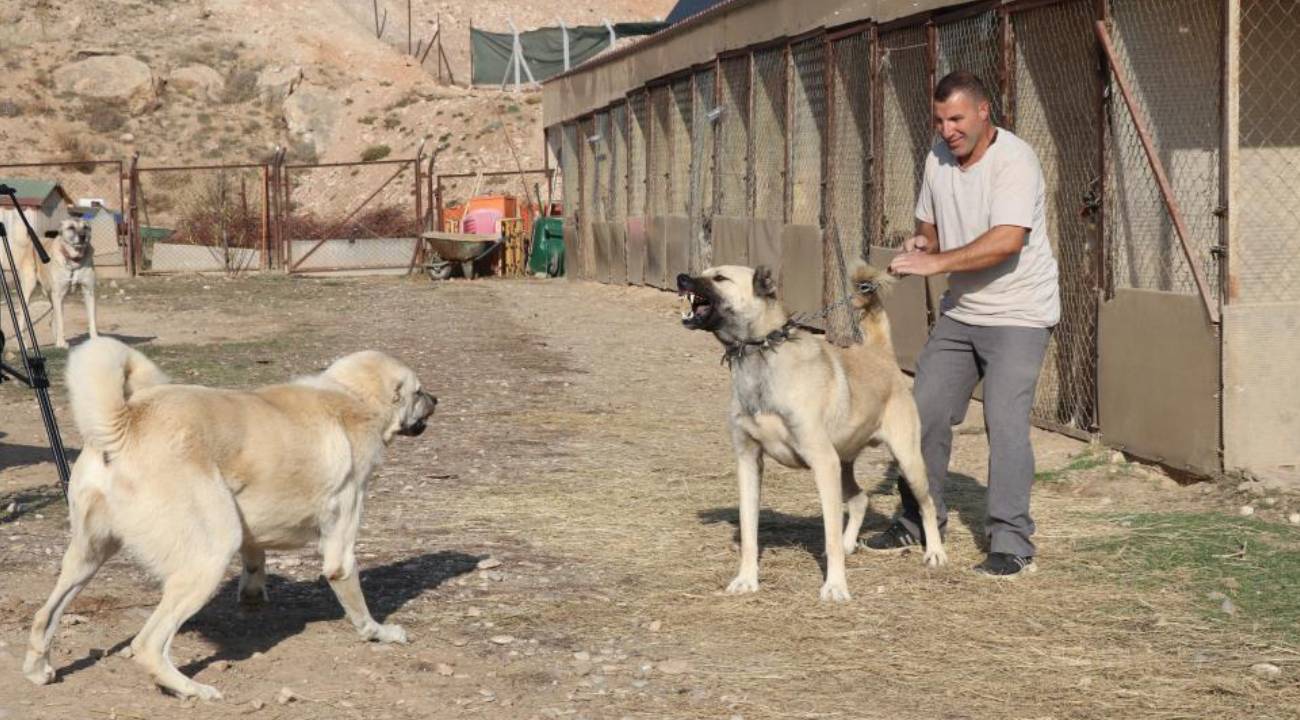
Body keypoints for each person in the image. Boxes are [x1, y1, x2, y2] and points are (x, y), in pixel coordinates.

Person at [862, 70, 1060, 578]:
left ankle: (1011, 543)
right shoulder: (937, 157)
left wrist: (937, 262)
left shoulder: (1015, 160)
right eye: (939, 120)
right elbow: (929, 223)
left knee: (1006, 422)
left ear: (983, 111)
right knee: (921, 411)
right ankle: (916, 521)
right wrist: (923, 244)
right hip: (963, 312)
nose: (947, 130)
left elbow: (1007, 240)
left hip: (1019, 313)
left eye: (956, 119)